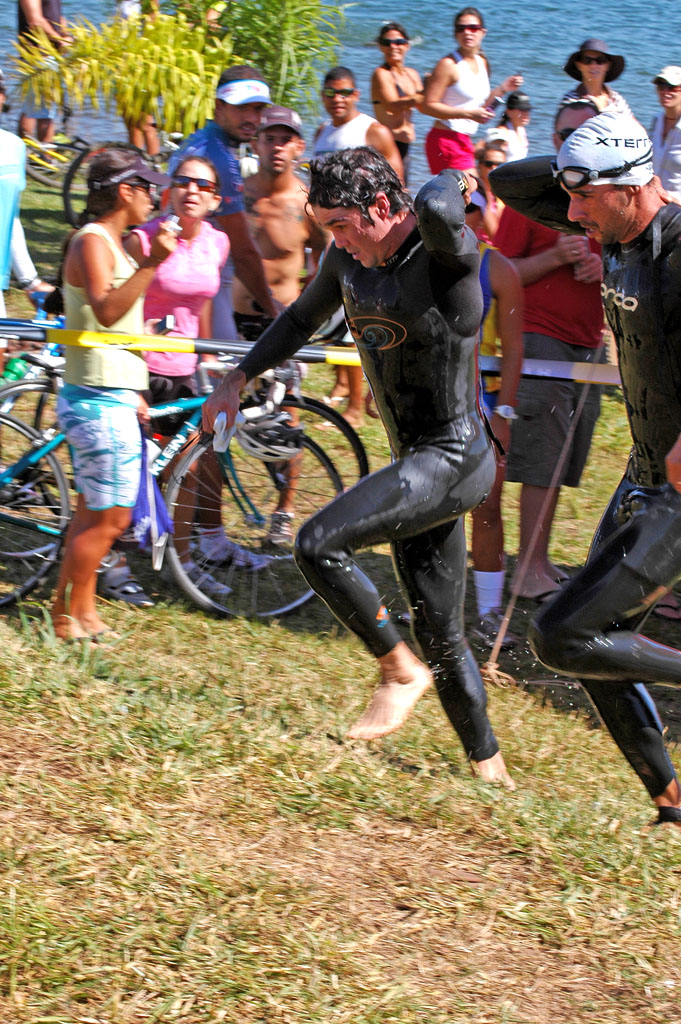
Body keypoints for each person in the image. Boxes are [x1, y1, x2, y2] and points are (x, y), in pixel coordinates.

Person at [203, 147, 514, 787]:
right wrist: (238, 376)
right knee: (441, 631)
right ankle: (493, 775)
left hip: (457, 457)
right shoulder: (348, 260)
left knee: (317, 542)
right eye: (326, 229)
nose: (336, 242)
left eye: (342, 224)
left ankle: (397, 670)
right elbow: (298, 320)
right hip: (417, 464)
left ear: (380, 207)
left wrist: (460, 174)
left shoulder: (446, 258)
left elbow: (432, 203)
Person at [491, 110, 681, 825]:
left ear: (633, 185)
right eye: (567, 197)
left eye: (582, 198)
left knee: (559, 635)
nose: (568, 214)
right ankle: (670, 800)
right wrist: (584, 151)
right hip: (643, 476)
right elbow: (509, 182)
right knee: (589, 646)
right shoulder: (609, 227)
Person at [51, 148, 175, 640]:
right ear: (126, 191)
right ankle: (66, 616)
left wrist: (142, 343)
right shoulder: (94, 243)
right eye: (148, 188)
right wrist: (153, 265)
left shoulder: (112, 243)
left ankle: (80, 613)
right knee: (110, 518)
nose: (155, 198)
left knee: (95, 515)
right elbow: (103, 311)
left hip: (111, 394)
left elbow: (110, 323)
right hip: (97, 398)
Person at [493, 100, 605, 601]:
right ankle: (526, 570)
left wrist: (604, 271)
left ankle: (536, 562)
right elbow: (499, 275)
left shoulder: (608, 193)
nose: (572, 142)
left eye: (586, 133)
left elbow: (629, 263)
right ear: (553, 139)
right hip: (540, 336)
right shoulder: (532, 193)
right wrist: (555, 255)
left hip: (588, 340)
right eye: (564, 134)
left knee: (562, 457)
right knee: (540, 458)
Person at [232, 105, 327, 545]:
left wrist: (315, 307)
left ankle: (285, 510)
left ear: (299, 147)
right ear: (257, 142)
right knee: (224, 416)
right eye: (270, 137)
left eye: (286, 138)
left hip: (285, 327)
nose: (277, 145)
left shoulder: (307, 204)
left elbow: (328, 258)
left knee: (286, 422)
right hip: (234, 321)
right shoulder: (239, 195)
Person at [313, 66, 404, 428]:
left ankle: (354, 407)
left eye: (345, 92)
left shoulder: (372, 131)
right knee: (334, 320)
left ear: (356, 95)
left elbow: (395, 183)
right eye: (331, 92)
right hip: (331, 241)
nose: (338, 99)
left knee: (354, 322)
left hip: (362, 241)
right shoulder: (322, 131)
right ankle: (340, 386)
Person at [168, 65, 279, 342]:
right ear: (219, 106)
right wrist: (274, 309)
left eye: (257, 109)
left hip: (185, 271)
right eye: (242, 108)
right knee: (222, 370)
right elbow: (243, 252)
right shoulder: (221, 162)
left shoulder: (200, 141)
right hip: (197, 278)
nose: (252, 118)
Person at [421, 7, 522, 174]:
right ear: (455, 34)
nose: (467, 32)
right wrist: (468, 114)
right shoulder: (448, 64)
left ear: (483, 32)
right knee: (473, 193)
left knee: (471, 194)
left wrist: (504, 88)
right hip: (445, 138)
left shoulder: (482, 62)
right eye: (461, 28)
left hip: (465, 139)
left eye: (473, 28)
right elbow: (428, 106)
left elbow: (480, 107)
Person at [370, 22, 423, 183]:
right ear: (380, 46)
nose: (394, 46)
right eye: (387, 43)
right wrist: (421, 96)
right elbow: (392, 105)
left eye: (399, 42)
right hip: (387, 146)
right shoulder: (381, 74)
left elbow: (426, 104)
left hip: (405, 145)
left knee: (402, 193)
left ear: (407, 45)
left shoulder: (412, 74)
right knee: (392, 194)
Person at [17, 0, 71, 144]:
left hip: (52, 54)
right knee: (36, 112)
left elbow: (56, 16)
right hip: (36, 55)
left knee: (44, 110)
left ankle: (38, 156)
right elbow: (35, 21)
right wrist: (60, 39)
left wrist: (66, 35)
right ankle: (38, 156)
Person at [561, 38, 632, 116]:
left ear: (608, 66)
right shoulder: (571, 101)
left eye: (600, 60)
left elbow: (633, 126)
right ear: (578, 65)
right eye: (587, 60)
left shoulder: (617, 99)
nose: (593, 65)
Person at [649, 65, 681, 201]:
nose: (665, 91)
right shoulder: (656, 121)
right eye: (661, 86)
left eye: (671, 87)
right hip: (652, 206)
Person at [473, 140, 506, 240]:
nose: (494, 168)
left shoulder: (503, 194)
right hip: (478, 247)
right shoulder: (475, 192)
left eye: (499, 165)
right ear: (479, 165)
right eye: (489, 164)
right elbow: (494, 234)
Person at [486, 91, 531, 162]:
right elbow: (480, 149)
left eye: (527, 109)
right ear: (509, 112)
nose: (526, 113)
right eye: (521, 110)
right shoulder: (502, 132)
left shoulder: (521, 130)